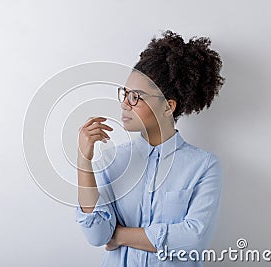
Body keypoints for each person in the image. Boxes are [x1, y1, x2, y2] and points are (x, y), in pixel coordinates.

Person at [75, 30, 225, 266]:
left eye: (136, 97)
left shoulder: (203, 166)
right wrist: (84, 161)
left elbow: (193, 239)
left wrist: (120, 235)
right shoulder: (112, 159)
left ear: (168, 107)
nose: (125, 104)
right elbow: (96, 235)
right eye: (125, 94)